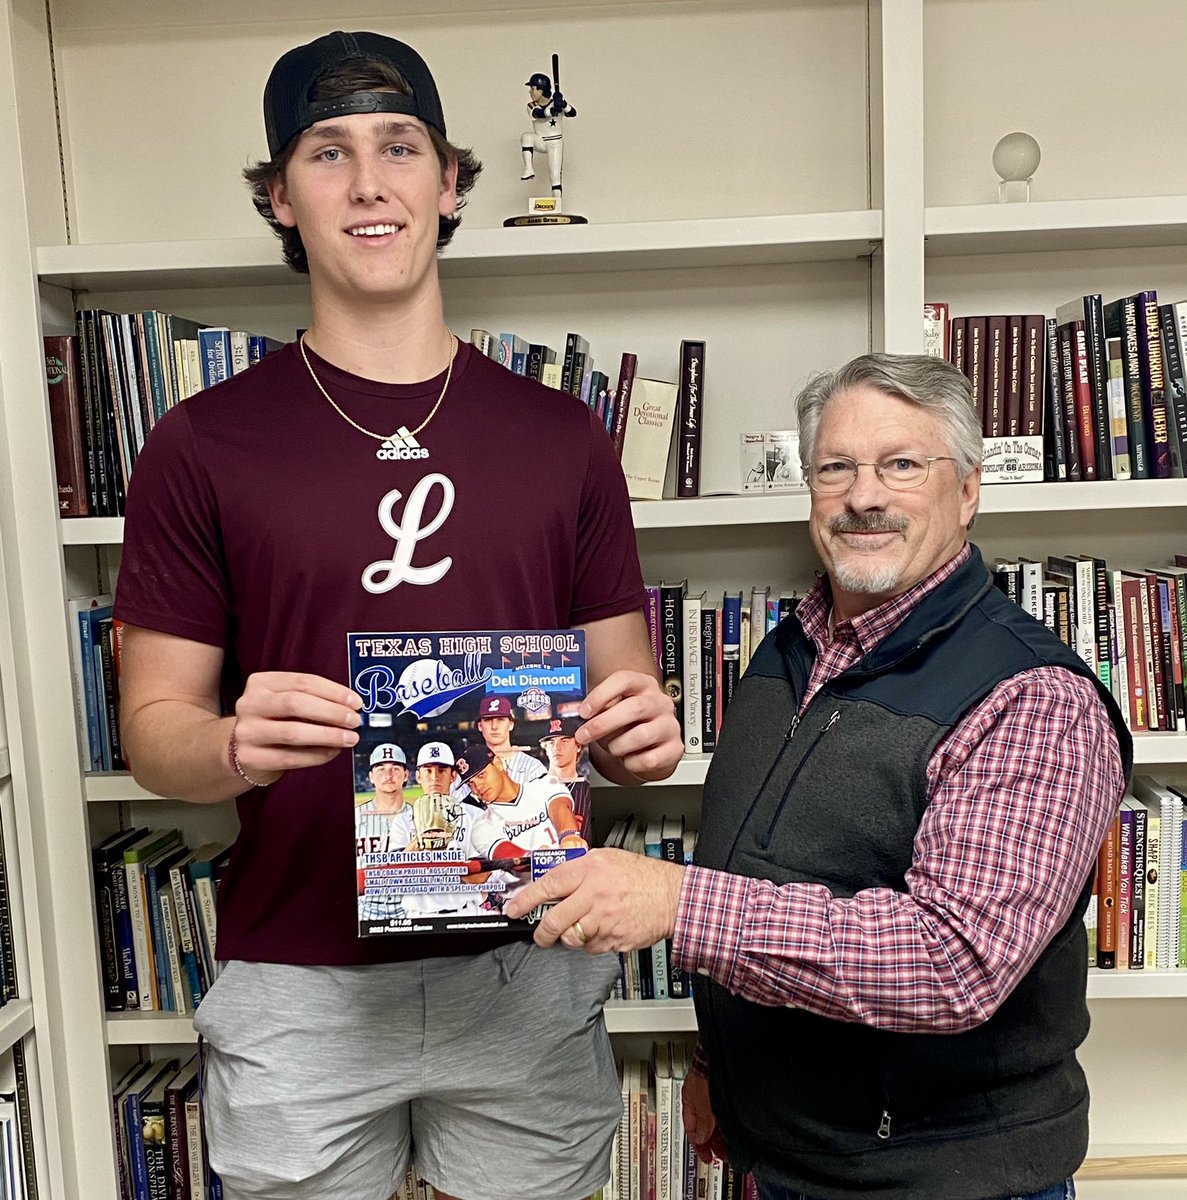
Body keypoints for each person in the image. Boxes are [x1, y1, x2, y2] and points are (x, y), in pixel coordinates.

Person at [115, 28, 682, 1200]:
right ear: (281, 198)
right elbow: (155, 731)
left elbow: (624, 707)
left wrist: (642, 732)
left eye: (400, 146)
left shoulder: (561, 437)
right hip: (298, 976)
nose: (369, 182)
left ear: (450, 182)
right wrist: (229, 743)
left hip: (526, 952)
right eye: (328, 152)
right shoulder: (201, 442)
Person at [507, 353, 1132, 1200]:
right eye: (835, 467)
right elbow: (757, 863)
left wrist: (678, 903)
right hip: (787, 1156)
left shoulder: (1032, 698)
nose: (862, 495)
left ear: (967, 491)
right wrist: (718, 1066)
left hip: (940, 1180)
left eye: (901, 465)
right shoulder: (787, 650)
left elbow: (952, 962)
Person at [459, 746, 587, 903]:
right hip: (523, 903)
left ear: (498, 764)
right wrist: (539, 859)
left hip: (568, 892)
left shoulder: (544, 785)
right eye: (470, 784)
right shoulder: (482, 825)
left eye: (481, 775)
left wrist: (569, 835)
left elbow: (560, 806)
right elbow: (508, 856)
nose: (477, 787)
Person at [520, 69, 576, 202]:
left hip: (555, 144)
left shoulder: (556, 102)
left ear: (541, 90)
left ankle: (557, 204)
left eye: (533, 88)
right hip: (541, 140)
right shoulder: (531, 105)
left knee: (555, 177)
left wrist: (563, 104)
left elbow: (573, 113)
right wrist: (553, 109)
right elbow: (539, 114)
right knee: (526, 137)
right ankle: (529, 169)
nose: (530, 92)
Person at [539, 715, 592, 835]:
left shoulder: (587, 791)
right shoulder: (532, 789)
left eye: (564, 741)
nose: (557, 747)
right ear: (545, 748)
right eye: (551, 742)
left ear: (578, 746)